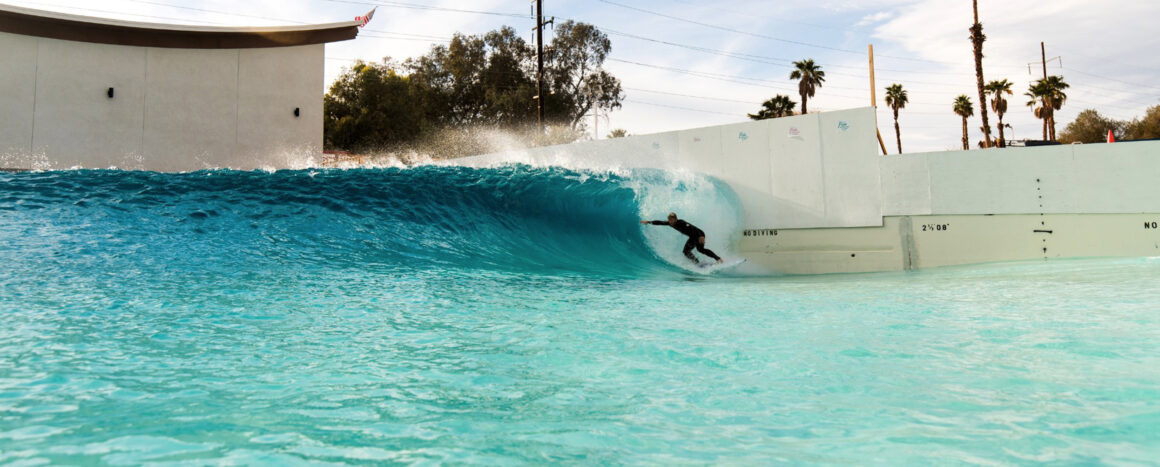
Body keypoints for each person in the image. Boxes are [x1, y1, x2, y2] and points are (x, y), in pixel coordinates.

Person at [640, 212, 723, 264]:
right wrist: (648, 222)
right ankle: (704, 262)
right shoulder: (670, 223)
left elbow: (693, 228)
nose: (671, 222)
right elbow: (660, 222)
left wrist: (701, 236)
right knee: (697, 250)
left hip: (698, 234)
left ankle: (715, 259)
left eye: (672, 220)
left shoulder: (682, 222)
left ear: (676, 219)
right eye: (669, 220)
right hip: (693, 236)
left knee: (689, 251)